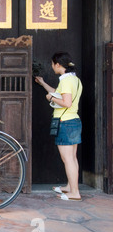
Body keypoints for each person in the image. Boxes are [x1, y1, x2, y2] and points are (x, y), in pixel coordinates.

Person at [35, 52, 83, 201]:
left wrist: (50, 98)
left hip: (65, 122)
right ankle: (71, 187)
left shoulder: (67, 81)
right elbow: (59, 94)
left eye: (52, 63)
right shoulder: (74, 80)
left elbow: (66, 102)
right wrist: (43, 84)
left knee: (67, 158)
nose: (52, 66)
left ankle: (75, 193)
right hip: (73, 121)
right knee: (72, 158)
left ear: (58, 64)